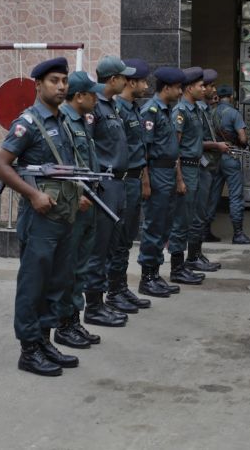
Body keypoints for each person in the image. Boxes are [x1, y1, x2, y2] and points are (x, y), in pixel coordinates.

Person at [0, 57, 81, 376]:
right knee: (33, 284)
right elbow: (1, 165)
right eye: (54, 81)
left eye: (64, 81)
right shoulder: (27, 123)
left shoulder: (63, 122)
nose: (61, 87)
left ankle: (44, 340)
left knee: (56, 282)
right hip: (40, 218)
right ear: (38, 85)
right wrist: (32, 194)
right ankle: (29, 349)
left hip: (62, 215)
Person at [56, 71, 125, 348]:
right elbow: (59, 169)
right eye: (92, 94)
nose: (97, 99)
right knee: (70, 267)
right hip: (75, 205)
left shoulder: (82, 123)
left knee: (83, 263)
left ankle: (76, 320)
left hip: (90, 200)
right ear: (80, 96)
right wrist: (75, 195)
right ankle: (65, 324)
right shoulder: (63, 123)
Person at [85, 56, 138, 317]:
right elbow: (86, 146)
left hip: (118, 181)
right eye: (124, 77)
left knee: (115, 243)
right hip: (104, 182)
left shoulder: (112, 106)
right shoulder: (94, 105)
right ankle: (94, 306)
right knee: (99, 247)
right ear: (113, 79)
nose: (128, 81)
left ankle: (110, 294)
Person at [105, 58, 152, 312]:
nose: (146, 85)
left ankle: (120, 288)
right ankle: (112, 292)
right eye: (143, 81)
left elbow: (139, 148)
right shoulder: (117, 109)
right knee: (117, 239)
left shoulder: (133, 108)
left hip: (133, 179)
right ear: (130, 82)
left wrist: (144, 178)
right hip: (119, 181)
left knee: (126, 240)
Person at [168, 67, 223, 285]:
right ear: (189, 88)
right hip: (187, 169)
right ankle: (178, 266)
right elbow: (175, 148)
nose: (204, 89)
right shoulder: (180, 112)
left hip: (198, 168)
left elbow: (196, 142)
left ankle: (193, 257)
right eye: (201, 85)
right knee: (182, 220)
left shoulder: (196, 110)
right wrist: (179, 178)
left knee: (197, 215)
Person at [138, 67, 185, 297]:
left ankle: (155, 274)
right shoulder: (151, 111)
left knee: (165, 225)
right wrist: (146, 181)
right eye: (177, 88)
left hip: (167, 172)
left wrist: (177, 178)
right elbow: (144, 150)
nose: (180, 92)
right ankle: (147, 277)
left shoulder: (167, 110)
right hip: (155, 173)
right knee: (154, 226)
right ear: (166, 87)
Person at [211, 85, 250, 244]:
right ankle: (238, 234)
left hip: (214, 157)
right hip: (230, 157)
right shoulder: (233, 113)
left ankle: (204, 231)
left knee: (212, 195)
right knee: (235, 195)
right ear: (231, 97)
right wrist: (241, 143)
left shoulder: (210, 112)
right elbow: (243, 138)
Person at [189, 68, 225, 271]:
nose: (210, 89)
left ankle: (196, 254)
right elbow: (191, 142)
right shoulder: (190, 110)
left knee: (201, 214)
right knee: (196, 215)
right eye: (207, 86)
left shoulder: (204, 108)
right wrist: (216, 146)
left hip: (206, 166)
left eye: (208, 86)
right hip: (196, 166)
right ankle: (191, 258)